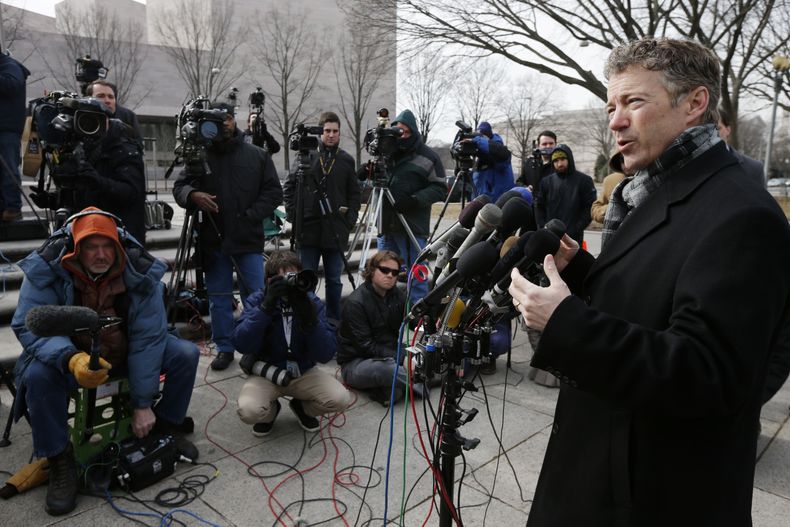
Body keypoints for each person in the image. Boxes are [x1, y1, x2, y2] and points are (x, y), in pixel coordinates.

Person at [509, 37, 790, 526]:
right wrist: (581, 272)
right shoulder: (650, 188)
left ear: (695, 103)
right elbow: (657, 292)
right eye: (611, 107)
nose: (615, 121)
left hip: (653, 496)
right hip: (605, 467)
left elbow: (708, 374)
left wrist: (566, 323)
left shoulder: (743, 214)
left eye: (633, 102)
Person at [11, 207, 200, 516]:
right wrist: (71, 358)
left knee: (185, 354)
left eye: (107, 247)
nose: (101, 255)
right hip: (73, 357)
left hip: (126, 351)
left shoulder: (139, 271)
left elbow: (148, 338)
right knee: (38, 375)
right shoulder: (47, 269)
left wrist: (143, 404)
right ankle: (60, 460)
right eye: (91, 247)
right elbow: (28, 325)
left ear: (118, 247)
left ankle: (165, 429)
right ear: (76, 250)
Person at [173, 102, 283, 371]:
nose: (224, 123)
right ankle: (224, 347)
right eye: (217, 119)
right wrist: (193, 195)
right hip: (212, 241)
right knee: (219, 298)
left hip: (247, 239)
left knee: (256, 296)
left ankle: (257, 346)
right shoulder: (200, 155)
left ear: (235, 121)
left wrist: (250, 216)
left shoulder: (257, 155)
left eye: (228, 118)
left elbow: (273, 193)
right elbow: (180, 186)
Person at [233, 250, 352, 435]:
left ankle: (302, 408)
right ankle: (270, 414)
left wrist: (309, 318)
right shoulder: (257, 300)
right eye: (284, 279)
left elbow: (326, 353)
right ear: (269, 281)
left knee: (340, 398)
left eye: (294, 277)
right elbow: (241, 344)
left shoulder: (311, 302)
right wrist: (266, 308)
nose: (290, 284)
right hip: (267, 371)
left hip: (303, 371)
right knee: (249, 410)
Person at [283, 111, 360, 322]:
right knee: (305, 280)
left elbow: (354, 194)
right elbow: (289, 187)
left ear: (340, 133)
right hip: (308, 230)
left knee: (334, 281)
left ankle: (333, 321)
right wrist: (294, 216)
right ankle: (308, 321)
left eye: (335, 131)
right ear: (320, 132)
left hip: (335, 231)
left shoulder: (346, 160)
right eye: (327, 131)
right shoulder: (306, 157)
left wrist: (349, 220)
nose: (331, 135)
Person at [41, 97, 148, 245]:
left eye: (95, 119)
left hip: (118, 236)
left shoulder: (124, 150)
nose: (90, 125)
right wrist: (53, 200)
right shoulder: (80, 147)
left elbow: (130, 193)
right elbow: (80, 196)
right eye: (84, 119)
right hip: (83, 233)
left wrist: (96, 180)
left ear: (108, 120)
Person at [337, 251, 428, 404]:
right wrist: (401, 358)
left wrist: (429, 320)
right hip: (357, 362)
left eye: (395, 272)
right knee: (389, 369)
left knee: (426, 352)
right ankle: (423, 384)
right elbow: (366, 346)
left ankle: (392, 388)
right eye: (385, 270)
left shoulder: (397, 294)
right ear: (372, 270)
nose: (390, 275)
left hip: (389, 352)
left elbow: (414, 319)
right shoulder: (355, 303)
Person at [380, 109, 446, 303]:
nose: (401, 136)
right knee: (383, 273)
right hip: (386, 225)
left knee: (417, 276)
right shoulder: (386, 152)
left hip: (412, 226)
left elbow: (440, 188)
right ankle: (385, 310)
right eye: (397, 132)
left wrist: (415, 200)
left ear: (413, 132)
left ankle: (418, 311)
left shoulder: (428, 156)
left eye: (405, 132)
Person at [534, 144, 596, 244]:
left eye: (562, 159)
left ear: (569, 159)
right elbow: (539, 206)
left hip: (573, 238)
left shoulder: (584, 181)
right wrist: (543, 227)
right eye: (556, 161)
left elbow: (589, 207)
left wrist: (576, 228)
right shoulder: (546, 182)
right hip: (549, 236)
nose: (559, 164)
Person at [0, 51, 30, 222]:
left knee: (8, 169)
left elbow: (12, 85)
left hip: (6, 130)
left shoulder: (10, 66)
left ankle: (12, 208)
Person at [466, 121, 514, 203]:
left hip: (498, 203)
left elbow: (498, 151)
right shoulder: (479, 157)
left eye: (482, 136)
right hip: (480, 203)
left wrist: (478, 140)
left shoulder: (501, 152)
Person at [717, 106, 763, 186]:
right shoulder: (693, 165)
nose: (712, 134)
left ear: (728, 130)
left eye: (717, 128)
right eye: (706, 129)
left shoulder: (753, 168)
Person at [590, 152, 628, 224]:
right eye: (622, 159)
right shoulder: (610, 180)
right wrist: (612, 208)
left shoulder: (650, 177)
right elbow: (595, 210)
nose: (626, 162)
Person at [516, 130, 556, 194]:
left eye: (551, 143)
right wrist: (525, 188)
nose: (548, 146)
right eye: (544, 144)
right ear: (538, 146)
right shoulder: (530, 162)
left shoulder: (560, 164)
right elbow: (519, 182)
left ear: (555, 144)